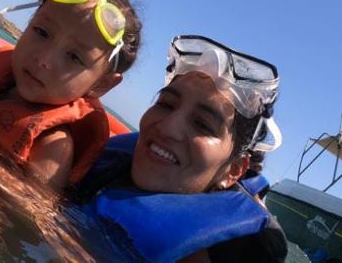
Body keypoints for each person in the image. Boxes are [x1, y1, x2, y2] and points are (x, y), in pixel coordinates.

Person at [73, 35, 287, 263]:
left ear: (233, 170)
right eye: (165, 104)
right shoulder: (97, 166)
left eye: (203, 124)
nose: (168, 128)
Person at [0, 0, 143, 191]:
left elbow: (31, 214)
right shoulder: (3, 82)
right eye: (42, 32)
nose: (44, 59)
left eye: (74, 57)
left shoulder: (53, 145)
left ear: (101, 84)